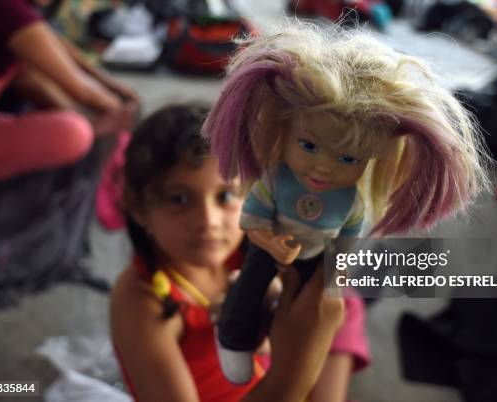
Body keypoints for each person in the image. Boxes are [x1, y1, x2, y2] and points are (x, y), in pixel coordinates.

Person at [203, 19, 492, 382]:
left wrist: (334, 275)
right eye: (308, 146)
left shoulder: (351, 204)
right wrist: (271, 242)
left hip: (317, 260)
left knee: (314, 306)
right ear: (286, 130)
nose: (322, 170)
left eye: (348, 159)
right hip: (271, 248)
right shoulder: (276, 180)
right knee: (248, 289)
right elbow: (253, 220)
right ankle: (233, 336)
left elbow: (345, 247)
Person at [110, 104, 370, 402]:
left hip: (274, 378)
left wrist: (276, 321)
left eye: (226, 196)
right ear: (138, 207)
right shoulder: (141, 299)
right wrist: (294, 368)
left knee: (337, 297)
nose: (209, 221)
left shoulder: (252, 247)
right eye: (179, 199)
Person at [0, 0, 137, 188]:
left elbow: (51, 44)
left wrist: (110, 86)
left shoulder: (17, 13)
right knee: (74, 133)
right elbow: (82, 88)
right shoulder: (5, 8)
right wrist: (116, 110)